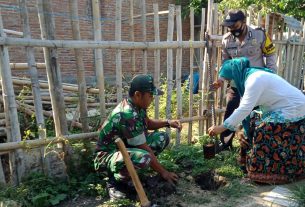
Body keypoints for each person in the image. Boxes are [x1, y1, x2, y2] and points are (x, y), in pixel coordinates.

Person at [208, 57, 305, 184]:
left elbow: (244, 109)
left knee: (262, 131)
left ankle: (266, 173)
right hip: (281, 108)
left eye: (229, 80)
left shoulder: (254, 80)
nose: (230, 84)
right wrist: (239, 129)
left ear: (235, 74)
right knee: (252, 123)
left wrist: (221, 128)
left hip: (294, 109)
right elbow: (244, 111)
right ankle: (248, 164)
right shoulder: (247, 79)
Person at [94, 74, 182, 200]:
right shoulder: (127, 114)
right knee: (144, 157)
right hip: (107, 156)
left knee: (161, 138)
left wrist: (168, 122)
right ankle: (115, 183)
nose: (152, 99)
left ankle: (133, 171)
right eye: (150, 96)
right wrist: (164, 172)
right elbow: (145, 149)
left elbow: (149, 123)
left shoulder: (138, 106)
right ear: (138, 95)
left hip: (124, 148)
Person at [217, 9, 278, 150]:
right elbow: (226, 64)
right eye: (229, 26)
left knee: (256, 113)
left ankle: (255, 143)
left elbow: (270, 54)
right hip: (236, 84)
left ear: (243, 22)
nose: (232, 28)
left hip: (257, 84)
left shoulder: (259, 34)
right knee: (231, 110)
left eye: (234, 25)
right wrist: (221, 79)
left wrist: (271, 74)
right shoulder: (226, 40)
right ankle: (225, 144)